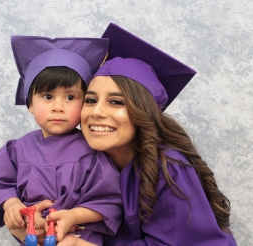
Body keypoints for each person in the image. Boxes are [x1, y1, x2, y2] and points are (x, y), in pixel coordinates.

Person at [46, 23, 238, 245]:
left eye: (116, 102)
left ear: (143, 114)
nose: (97, 112)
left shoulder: (168, 168)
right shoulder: (79, 161)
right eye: (90, 100)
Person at [0, 35, 123, 246]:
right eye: (48, 97)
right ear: (30, 104)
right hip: (31, 236)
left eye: (70, 97)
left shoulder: (93, 153)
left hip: (80, 239)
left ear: (85, 103)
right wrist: (12, 206)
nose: (58, 107)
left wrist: (73, 217)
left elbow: (108, 201)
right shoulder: (17, 150)